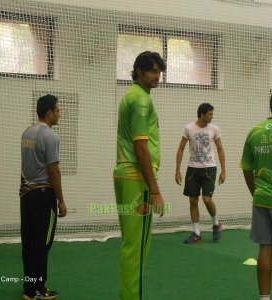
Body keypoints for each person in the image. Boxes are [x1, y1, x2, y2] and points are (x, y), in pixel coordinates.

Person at [113, 51, 166, 300]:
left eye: (159, 71)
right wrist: (154, 190)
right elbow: (141, 146)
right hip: (137, 179)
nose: (157, 76)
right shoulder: (141, 100)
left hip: (126, 175)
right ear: (138, 71)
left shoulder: (131, 96)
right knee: (137, 247)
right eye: (153, 71)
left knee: (131, 244)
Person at [20, 94, 67, 300]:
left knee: (29, 243)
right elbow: (54, 171)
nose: (60, 114)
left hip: (26, 195)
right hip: (43, 197)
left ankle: (29, 288)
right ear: (49, 113)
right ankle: (38, 290)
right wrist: (61, 201)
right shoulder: (50, 136)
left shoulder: (27, 132)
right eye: (58, 110)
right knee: (42, 244)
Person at [175, 103, 226, 244]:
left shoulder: (214, 129)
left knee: (207, 199)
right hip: (192, 169)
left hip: (209, 168)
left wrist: (223, 170)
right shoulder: (189, 128)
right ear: (202, 115)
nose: (212, 116)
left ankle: (216, 223)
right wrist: (177, 170)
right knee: (193, 200)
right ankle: (196, 233)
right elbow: (180, 149)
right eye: (209, 114)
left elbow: (220, 149)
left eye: (212, 113)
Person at [240, 93, 272, 300]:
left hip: (261, 199)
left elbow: (247, 168)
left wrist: (256, 193)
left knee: (265, 248)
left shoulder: (255, 131)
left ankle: (263, 298)